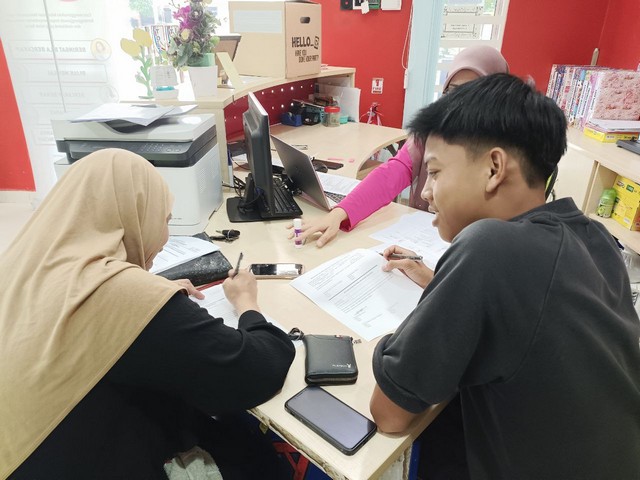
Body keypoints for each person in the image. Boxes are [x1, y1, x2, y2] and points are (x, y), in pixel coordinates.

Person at [369, 73, 640, 479]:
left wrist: (415, 328)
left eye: (436, 172)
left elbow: (389, 414)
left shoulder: (488, 246)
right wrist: (436, 280)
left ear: (494, 168)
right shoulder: (593, 236)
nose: (426, 191)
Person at [0, 149, 295, 479]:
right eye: (164, 220)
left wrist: (149, 294)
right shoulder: (119, 295)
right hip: (94, 462)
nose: (165, 237)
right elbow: (258, 370)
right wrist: (247, 304)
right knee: (257, 458)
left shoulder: (21, 266)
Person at [291, 45, 509, 248]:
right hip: (426, 238)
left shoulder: (508, 147)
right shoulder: (435, 127)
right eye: (454, 91)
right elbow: (395, 171)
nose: (462, 102)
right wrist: (339, 214)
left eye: (473, 92)